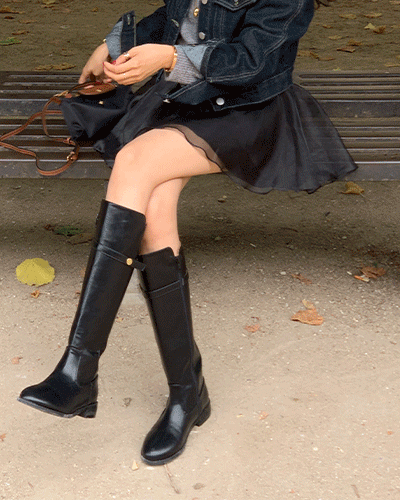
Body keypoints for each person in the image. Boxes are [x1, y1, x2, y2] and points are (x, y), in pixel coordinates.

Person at [18, 0, 356, 465]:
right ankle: (185, 393)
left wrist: (171, 58)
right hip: (184, 101)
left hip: (249, 110)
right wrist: (113, 46)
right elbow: (173, 15)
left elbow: (252, 61)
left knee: (134, 163)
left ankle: (79, 370)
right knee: (154, 207)